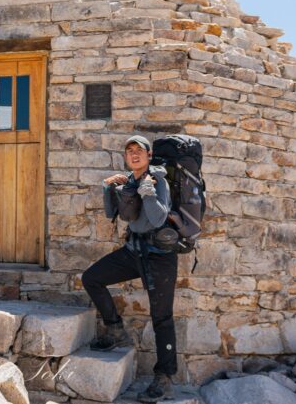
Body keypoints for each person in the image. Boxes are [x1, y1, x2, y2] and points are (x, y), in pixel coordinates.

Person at [81, 135, 179, 403]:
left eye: (139, 151)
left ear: (149, 155)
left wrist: (147, 191)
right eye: (129, 151)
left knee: (162, 318)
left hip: (160, 256)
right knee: (92, 278)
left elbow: (159, 217)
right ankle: (115, 329)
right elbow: (112, 215)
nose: (134, 155)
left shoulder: (158, 181)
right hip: (134, 251)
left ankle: (165, 378)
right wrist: (108, 189)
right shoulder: (130, 181)